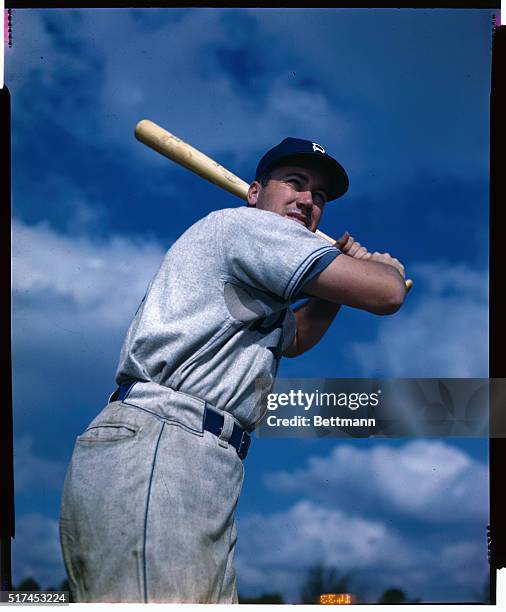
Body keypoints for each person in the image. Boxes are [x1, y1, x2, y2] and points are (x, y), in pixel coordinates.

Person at [59, 137, 407, 603]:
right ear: (254, 193)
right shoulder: (245, 228)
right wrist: (381, 268)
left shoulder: (257, 273)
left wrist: (333, 286)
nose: (308, 200)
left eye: (319, 196)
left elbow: (296, 337)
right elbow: (387, 294)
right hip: (167, 440)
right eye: (296, 184)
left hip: (194, 455)